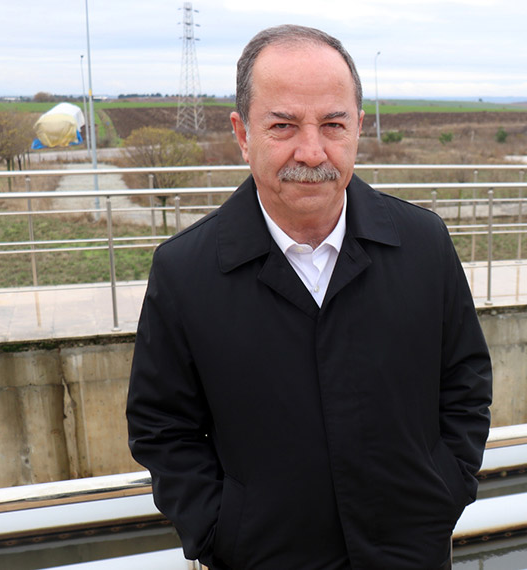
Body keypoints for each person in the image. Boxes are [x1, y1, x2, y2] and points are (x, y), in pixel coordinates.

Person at [126, 25, 492, 569]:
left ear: (359, 128)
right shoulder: (185, 273)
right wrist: (222, 532)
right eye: (283, 125)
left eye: (333, 124)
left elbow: (465, 383)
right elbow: (162, 427)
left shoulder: (424, 245)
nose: (312, 151)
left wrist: (443, 490)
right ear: (242, 134)